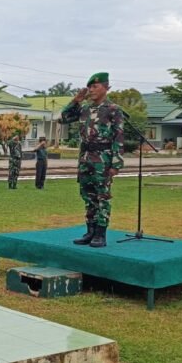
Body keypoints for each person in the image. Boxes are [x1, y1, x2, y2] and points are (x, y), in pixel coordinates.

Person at [58, 72, 124, 248]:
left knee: (102, 196)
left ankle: (101, 233)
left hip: (103, 159)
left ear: (106, 87)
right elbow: (63, 119)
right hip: (85, 157)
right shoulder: (84, 109)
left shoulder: (113, 109)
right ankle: (90, 230)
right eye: (90, 87)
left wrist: (116, 163)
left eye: (95, 86)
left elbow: (118, 137)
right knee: (88, 196)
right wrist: (76, 101)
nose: (91, 90)